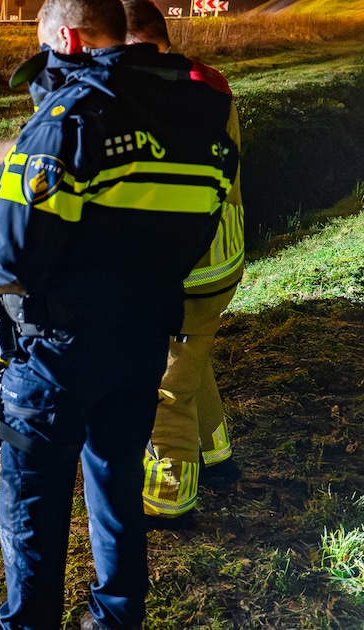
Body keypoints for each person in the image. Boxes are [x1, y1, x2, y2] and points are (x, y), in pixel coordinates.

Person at [0, 0, 237, 626]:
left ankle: (30, 622)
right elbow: (190, 240)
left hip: (57, 350)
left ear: (68, 35)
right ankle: (117, 616)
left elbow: (5, 260)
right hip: (142, 341)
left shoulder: (69, 121)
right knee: (115, 487)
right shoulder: (200, 121)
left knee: (34, 501)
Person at [122, 0, 245, 525]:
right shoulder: (209, 84)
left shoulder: (147, 93)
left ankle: (169, 504)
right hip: (221, 254)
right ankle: (215, 457)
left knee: (163, 386)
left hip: (182, 267)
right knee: (193, 354)